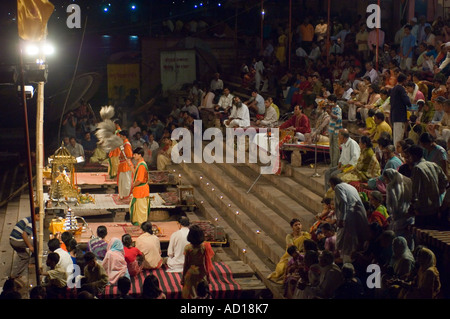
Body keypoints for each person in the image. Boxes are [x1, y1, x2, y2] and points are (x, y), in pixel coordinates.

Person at [406, 145, 448, 228]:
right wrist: (437, 192)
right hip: (435, 206)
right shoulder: (433, 165)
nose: (409, 158)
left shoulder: (417, 168)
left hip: (423, 210)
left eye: (409, 156)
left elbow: (415, 191)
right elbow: (445, 181)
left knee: (423, 236)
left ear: (414, 156)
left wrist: (413, 207)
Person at [329, 176, 369, 263]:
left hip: (349, 215)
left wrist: (342, 219)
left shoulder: (338, 187)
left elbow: (343, 202)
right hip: (357, 214)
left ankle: (347, 260)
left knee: (347, 239)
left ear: (332, 184)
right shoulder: (349, 186)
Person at [267, 218, 311, 284]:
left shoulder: (305, 235)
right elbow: (291, 247)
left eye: (299, 224)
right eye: (295, 225)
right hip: (292, 253)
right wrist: (297, 252)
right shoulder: (289, 236)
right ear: (292, 227)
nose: (298, 226)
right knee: (282, 267)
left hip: (304, 253)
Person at [181, 224, 215, 299]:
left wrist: (183, 277)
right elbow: (205, 263)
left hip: (191, 273)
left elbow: (186, 264)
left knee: (191, 295)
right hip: (201, 273)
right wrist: (208, 276)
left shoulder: (188, 248)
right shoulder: (204, 247)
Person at [9, 210, 39, 287]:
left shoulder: (28, 219)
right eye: (39, 216)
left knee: (25, 257)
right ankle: (33, 262)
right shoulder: (31, 223)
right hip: (16, 241)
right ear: (36, 215)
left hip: (12, 240)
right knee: (36, 243)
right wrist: (30, 246)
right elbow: (24, 234)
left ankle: (14, 275)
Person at [129, 147, 151, 226]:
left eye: (135, 154)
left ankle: (142, 225)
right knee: (137, 209)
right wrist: (131, 167)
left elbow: (140, 180)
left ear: (140, 155)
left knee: (141, 209)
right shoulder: (139, 163)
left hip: (141, 190)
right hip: (139, 190)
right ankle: (139, 224)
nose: (133, 156)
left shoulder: (141, 165)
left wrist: (132, 185)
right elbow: (136, 174)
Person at [390, 73, 411, 146]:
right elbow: (407, 101)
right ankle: (397, 153)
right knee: (399, 137)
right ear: (404, 80)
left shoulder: (393, 89)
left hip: (394, 115)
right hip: (400, 116)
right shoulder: (401, 89)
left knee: (396, 136)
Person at [326, 95, 343, 168]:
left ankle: (335, 164)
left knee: (336, 147)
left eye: (329, 101)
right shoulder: (331, 108)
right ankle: (332, 163)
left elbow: (339, 119)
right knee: (331, 146)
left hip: (336, 130)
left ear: (333, 101)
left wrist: (330, 114)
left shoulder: (338, 109)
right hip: (331, 129)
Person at [116, 130, 133, 199]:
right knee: (122, 181)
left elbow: (129, 156)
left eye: (120, 136)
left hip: (125, 165)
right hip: (123, 164)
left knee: (126, 181)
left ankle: (126, 195)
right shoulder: (124, 143)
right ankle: (123, 195)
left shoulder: (127, 144)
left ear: (124, 136)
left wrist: (121, 157)